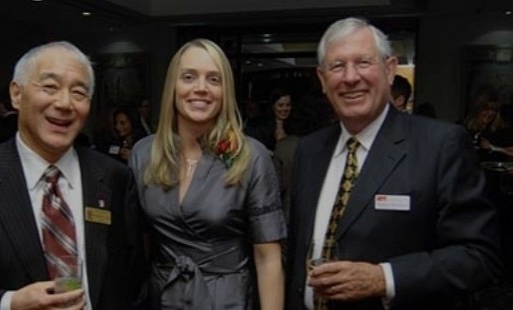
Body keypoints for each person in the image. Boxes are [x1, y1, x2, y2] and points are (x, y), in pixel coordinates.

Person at [285, 17, 501, 310]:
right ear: (323, 80)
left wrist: (384, 278)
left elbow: (479, 256)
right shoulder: (310, 149)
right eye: (337, 66)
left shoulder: (440, 145)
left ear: (389, 70)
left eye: (363, 62)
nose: (350, 77)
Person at [0, 41, 145, 310]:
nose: (64, 103)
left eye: (79, 92)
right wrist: (8, 303)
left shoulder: (114, 178)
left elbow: (133, 280)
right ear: (16, 94)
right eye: (49, 87)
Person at [129, 38, 286, 309]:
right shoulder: (144, 153)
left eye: (214, 79)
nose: (200, 88)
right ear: (172, 87)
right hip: (163, 296)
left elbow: (268, 258)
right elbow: (136, 244)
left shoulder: (251, 156)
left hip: (226, 299)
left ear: (225, 91)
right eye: (189, 77)